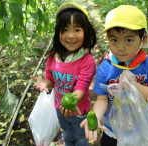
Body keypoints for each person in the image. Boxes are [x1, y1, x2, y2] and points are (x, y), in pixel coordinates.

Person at [80, 5, 148, 145]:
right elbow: (102, 99)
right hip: (112, 129)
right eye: (114, 40)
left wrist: (133, 86)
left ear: (143, 39)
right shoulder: (105, 68)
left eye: (128, 40)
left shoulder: (146, 64)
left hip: (138, 127)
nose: (120, 47)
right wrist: (96, 117)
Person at [31, 2, 97, 146]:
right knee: (67, 133)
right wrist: (45, 84)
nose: (71, 36)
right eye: (65, 29)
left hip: (79, 110)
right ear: (58, 32)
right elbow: (51, 80)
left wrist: (71, 103)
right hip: (58, 106)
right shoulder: (53, 56)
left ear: (86, 32)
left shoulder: (87, 61)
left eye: (77, 30)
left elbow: (81, 88)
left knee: (80, 138)